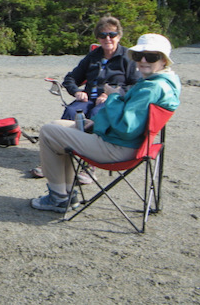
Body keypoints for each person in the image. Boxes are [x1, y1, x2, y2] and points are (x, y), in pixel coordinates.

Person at [30, 33, 180, 213]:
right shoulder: (161, 82)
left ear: (164, 60)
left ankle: (58, 198)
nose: (143, 60)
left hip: (118, 148)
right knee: (57, 124)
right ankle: (67, 193)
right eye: (139, 55)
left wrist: (113, 96)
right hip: (127, 142)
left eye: (151, 56)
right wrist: (95, 124)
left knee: (48, 132)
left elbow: (126, 128)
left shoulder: (152, 88)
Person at [31, 16, 140, 182]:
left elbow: (135, 85)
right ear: (98, 38)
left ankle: (89, 165)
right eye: (102, 35)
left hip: (111, 102)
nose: (107, 39)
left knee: (98, 114)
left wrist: (112, 94)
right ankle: (54, 160)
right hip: (87, 99)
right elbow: (70, 79)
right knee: (71, 111)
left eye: (112, 34)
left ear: (119, 36)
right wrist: (77, 92)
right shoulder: (93, 56)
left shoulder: (128, 57)